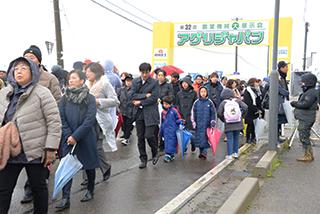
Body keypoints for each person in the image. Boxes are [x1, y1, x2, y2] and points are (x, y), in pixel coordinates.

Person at [0, 57, 61, 214]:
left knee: (38, 188)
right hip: (10, 151)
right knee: (3, 190)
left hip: (35, 150)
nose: (18, 71)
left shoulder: (42, 92)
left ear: (32, 71)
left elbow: (54, 121)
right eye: (16, 68)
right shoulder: (5, 93)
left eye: (23, 68)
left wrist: (51, 148)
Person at [21, 45, 62, 204]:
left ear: (39, 60)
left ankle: (33, 188)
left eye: (32, 57)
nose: (28, 60)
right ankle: (33, 186)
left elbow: (57, 103)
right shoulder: (21, 78)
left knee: (39, 160)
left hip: (43, 127)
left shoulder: (50, 79)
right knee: (25, 159)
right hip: (24, 128)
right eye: (26, 57)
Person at [56, 70, 99, 211]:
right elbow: (61, 118)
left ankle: (90, 189)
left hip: (85, 136)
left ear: (82, 81)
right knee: (67, 167)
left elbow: (89, 119)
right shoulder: (64, 98)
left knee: (89, 165)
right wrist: (69, 135)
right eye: (70, 78)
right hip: (68, 138)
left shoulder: (89, 98)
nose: (71, 80)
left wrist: (76, 136)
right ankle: (65, 198)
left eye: (74, 78)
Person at [85, 62, 119, 181]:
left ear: (96, 72)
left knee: (97, 146)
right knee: (86, 146)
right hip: (86, 118)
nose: (87, 74)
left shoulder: (105, 84)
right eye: (86, 72)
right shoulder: (85, 84)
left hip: (99, 119)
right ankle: (87, 177)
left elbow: (115, 101)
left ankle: (104, 167)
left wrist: (99, 102)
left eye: (89, 71)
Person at [129, 62, 160, 169]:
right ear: (140, 72)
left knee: (149, 135)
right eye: (143, 72)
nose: (145, 74)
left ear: (149, 72)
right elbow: (131, 95)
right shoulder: (135, 81)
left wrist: (140, 102)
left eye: (147, 72)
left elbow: (154, 98)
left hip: (151, 113)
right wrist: (145, 95)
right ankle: (143, 159)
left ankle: (155, 151)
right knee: (140, 137)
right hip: (139, 113)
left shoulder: (154, 82)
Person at [291, 73, 319, 162]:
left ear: (309, 82)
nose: (301, 84)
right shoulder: (310, 91)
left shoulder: (310, 92)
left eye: (303, 82)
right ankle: (308, 154)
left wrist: (294, 104)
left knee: (304, 135)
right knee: (304, 135)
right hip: (306, 117)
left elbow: (306, 104)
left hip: (306, 118)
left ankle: (308, 155)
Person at [262, 61, 290, 143]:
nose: (287, 69)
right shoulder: (275, 76)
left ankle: (278, 137)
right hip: (276, 103)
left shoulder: (282, 77)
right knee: (275, 121)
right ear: (281, 68)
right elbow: (279, 89)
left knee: (280, 121)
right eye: (286, 67)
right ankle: (274, 139)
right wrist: (286, 93)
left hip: (281, 103)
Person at [218, 88, 248, 160]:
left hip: (228, 123)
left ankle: (230, 154)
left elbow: (219, 113)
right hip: (238, 122)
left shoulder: (224, 103)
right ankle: (236, 153)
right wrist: (241, 116)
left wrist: (224, 119)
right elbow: (245, 107)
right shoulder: (237, 101)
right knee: (236, 138)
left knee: (229, 139)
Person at [191, 86, 216, 160]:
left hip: (207, 124)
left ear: (207, 92)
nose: (203, 93)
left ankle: (204, 153)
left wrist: (212, 121)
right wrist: (194, 122)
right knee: (199, 138)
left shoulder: (210, 102)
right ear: (199, 92)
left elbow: (213, 113)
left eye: (204, 91)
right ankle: (201, 152)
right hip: (198, 124)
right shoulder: (196, 102)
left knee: (205, 138)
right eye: (201, 91)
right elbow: (193, 112)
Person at [176, 77, 197, 152]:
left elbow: (195, 104)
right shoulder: (179, 93)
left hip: (191, 115)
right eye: (183, 83)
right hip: (182, 114)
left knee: (191, 132)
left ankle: (193, 143)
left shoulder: (194, 93)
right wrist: (179, 114)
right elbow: (177, 104)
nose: (184, 84)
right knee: (183, 132)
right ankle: (184, 147)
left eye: (186, 83)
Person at [160, 96, 182, 163]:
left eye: (166, 104)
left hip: (173, 130)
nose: (165, 105)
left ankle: (168, 154)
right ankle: (170, 154)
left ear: (170, 104)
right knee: (167, 142)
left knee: (172, 142)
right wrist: (161, 131)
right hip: (166, 130)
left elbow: (178, 118)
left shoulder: (174, 111)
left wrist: (180, 122)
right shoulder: (163, 112)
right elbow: (162, 122)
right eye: (164, 104)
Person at [243, 78, 263, 144]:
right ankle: (248, 138)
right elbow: (248, 102)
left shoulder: (257, 90)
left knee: (254, 125)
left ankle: (253, 138)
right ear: (252, 83)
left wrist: (259, 109)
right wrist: (256, 109)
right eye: (256, 82)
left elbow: (258, 100)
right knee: (250, 125)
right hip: (249, 111)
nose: (257, 83)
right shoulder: (247, 91)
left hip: (255, 111)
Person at [117, 73, 134, 145]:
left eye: (130, 81)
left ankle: (126, 138)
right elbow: (117, 98)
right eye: (127, 81)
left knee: (128, 124)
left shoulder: (134, 90)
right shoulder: (120, 90)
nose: (128, 82)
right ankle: (126, 134)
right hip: (122, 110)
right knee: (123, 125)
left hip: (130, 110)